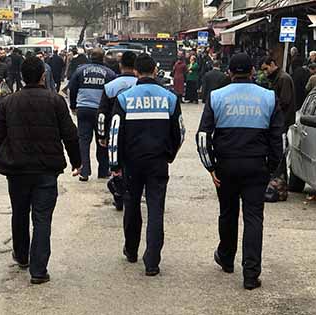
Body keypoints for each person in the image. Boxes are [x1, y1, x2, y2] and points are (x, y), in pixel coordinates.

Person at [0, 56, 82, 285]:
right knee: (42, 218)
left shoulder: (9, 102)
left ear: (21, 76)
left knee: (19, 213)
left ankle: (22, 256)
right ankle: (39, 270)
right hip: (46, 171)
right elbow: (70, 134)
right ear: (43, 76)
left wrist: (5, 153)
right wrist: (77, 161)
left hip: (17, 170)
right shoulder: (56, 101)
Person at [196, 53, 284, 290]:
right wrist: (271, 167)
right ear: (253, 72)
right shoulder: (268, 97)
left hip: (226, 165)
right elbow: (279, 138)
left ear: (230, 72)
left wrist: (210, 167)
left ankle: (226, 258)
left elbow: (203, 136)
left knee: (228, 212)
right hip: (257, 165)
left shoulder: (216, 97)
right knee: (254, 217)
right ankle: (251, 274)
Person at [108, 53, 185, 276]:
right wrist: (170, 155)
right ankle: (152, 261)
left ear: (135, 72)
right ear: (155, 71)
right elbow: (179, 131)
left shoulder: (124, 98)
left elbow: (115, 133)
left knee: (131, 205)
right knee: (155, 209)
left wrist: (115, 164)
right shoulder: (169, 98)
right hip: (158, 162)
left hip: (132, 163)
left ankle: (131, 250)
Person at [97, 51, 138, 210]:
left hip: (114, 133)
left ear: (120, 66)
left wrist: (102, 134)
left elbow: (102, 113)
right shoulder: (140, 85)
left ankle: (119, 194)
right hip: (135, 133)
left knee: (116, 163)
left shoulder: (110, 86)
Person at [69, 49, 117, 181]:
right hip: (101, 112)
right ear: (103, 58)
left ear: (90, 57)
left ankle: (84, 171)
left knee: (83, 141)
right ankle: (103, 170)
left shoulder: (80, 71)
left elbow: (72, 89)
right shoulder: (109, 73)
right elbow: (112, 93)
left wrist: (73, 106)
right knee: (102, 139)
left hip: (83, 109)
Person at [261, 57, 295, 181]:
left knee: (280, 150)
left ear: (272, 64)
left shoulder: (283, 79)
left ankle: (279, 181)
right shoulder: (276, 78)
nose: (265, 72)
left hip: (283, 121)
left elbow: (284, 101)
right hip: (278, 121)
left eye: (266, 69)